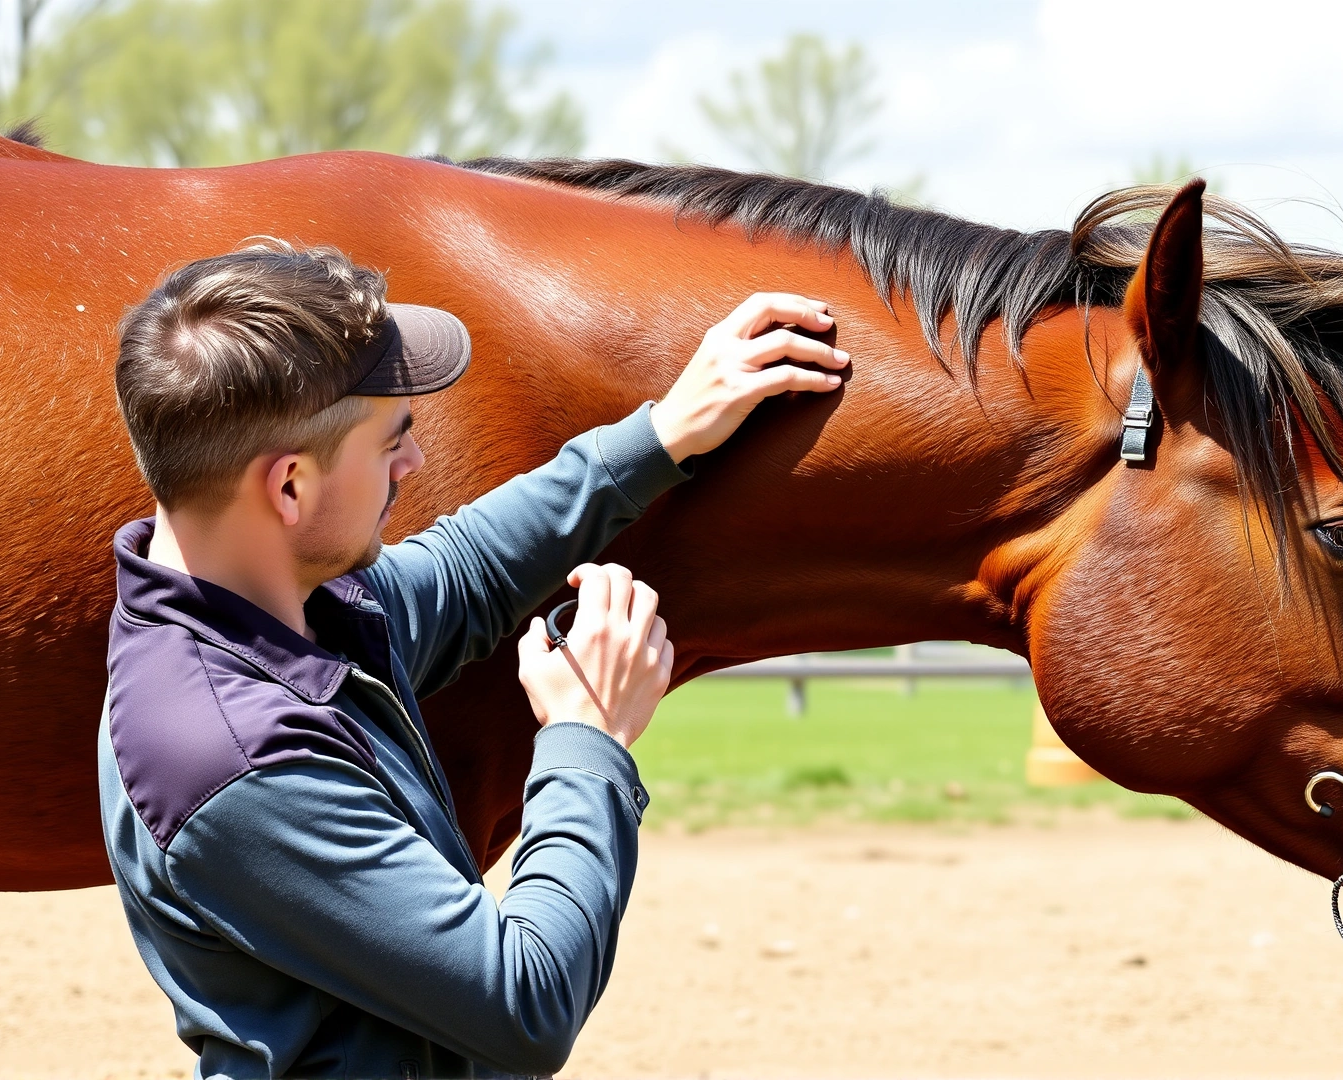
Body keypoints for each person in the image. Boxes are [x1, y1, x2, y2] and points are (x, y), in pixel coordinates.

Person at [98, 239, 848, 1079]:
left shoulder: (271, 608)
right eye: (391, 444)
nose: (413, 464)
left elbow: (466, 569)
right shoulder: (235, 758)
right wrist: (585, 738)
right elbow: (523, 1004)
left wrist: (662, 435)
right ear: (290, 489)